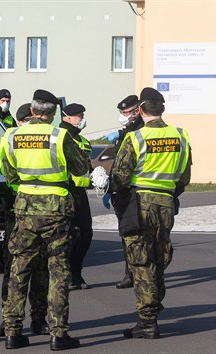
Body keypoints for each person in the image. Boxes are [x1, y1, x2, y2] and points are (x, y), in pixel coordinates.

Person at [1, 89, 89, 350]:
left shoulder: (11, 135)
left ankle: (12, 332)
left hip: (25, 207)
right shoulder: (59, 136)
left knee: (19, 270)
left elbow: (8, 173)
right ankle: (58, 334)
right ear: (52, 114)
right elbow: (81, 168)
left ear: (31, 111)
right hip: (56, 209)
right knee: (58, 271)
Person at [110, 87, 191, 339]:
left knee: (141, 260)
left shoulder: (136, 138)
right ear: (162, 109)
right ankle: (153, 309)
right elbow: (185, 176)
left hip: (140, 203)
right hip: (166, 202)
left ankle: (147, 320)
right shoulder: (181, 135)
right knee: (158, 257)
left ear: (141, 110)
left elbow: (120, 177)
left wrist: (116, 193)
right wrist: (168, 194)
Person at [0, 103, 50, 339]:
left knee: (34, 269)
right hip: (19, 212)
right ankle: (12, 320)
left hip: (26, 210)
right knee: (17, 269)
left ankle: (36, 319)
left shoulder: (15, 138)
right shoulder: (10, 138)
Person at [103, 94, 144, 289]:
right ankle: (130, 272)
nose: (123, 116)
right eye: (121, 113)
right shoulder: (126, 131)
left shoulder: (140, 131)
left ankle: (139, 273)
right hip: (122, 192)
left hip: (135, 191)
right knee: (126, 234)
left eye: (126, 112)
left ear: (137, 111)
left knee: (138, 236)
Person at [59, 103, 94, 290]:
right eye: (78, 116)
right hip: (65, 191)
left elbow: (86, 166)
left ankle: (76, 272)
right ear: (67, 117)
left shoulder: (81, 139)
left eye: (82, 115)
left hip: (80, 192)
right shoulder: (62, 137)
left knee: (85, 233)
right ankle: (66, 275)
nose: (82, 119)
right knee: (68, 235)